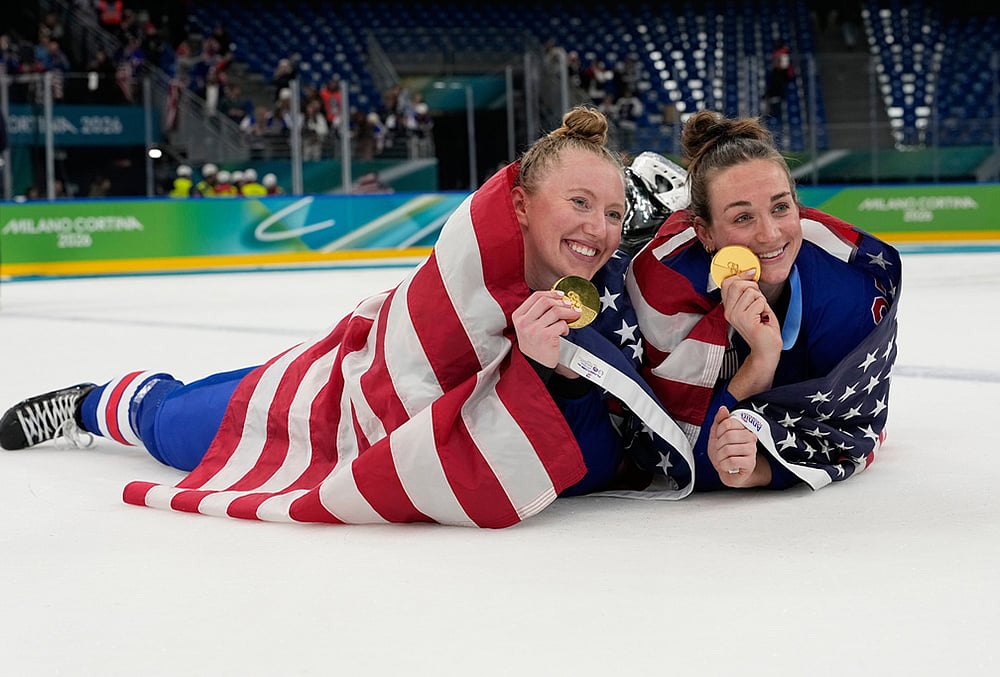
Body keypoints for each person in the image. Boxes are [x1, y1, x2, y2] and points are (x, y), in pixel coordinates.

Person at [0, 106, 630, 528]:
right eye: (579, 202)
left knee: (193, 411)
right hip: (334, 387)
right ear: (519, 204)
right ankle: (88, 404)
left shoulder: (607, 309)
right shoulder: (470, 267)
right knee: (169, 424)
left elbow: (582, 462)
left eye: (613, 212)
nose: (597, 229)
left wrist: (553, 374)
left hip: (372, 445)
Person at [574, 110, 901, 494]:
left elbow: (850, 435)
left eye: (781, 207)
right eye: (742, 217)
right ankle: (659, 207)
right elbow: (673, 451)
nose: (769, 234)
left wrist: (758, 469)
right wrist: (760, 361)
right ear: (705, 232)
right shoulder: (665, 284)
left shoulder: (848, 291)